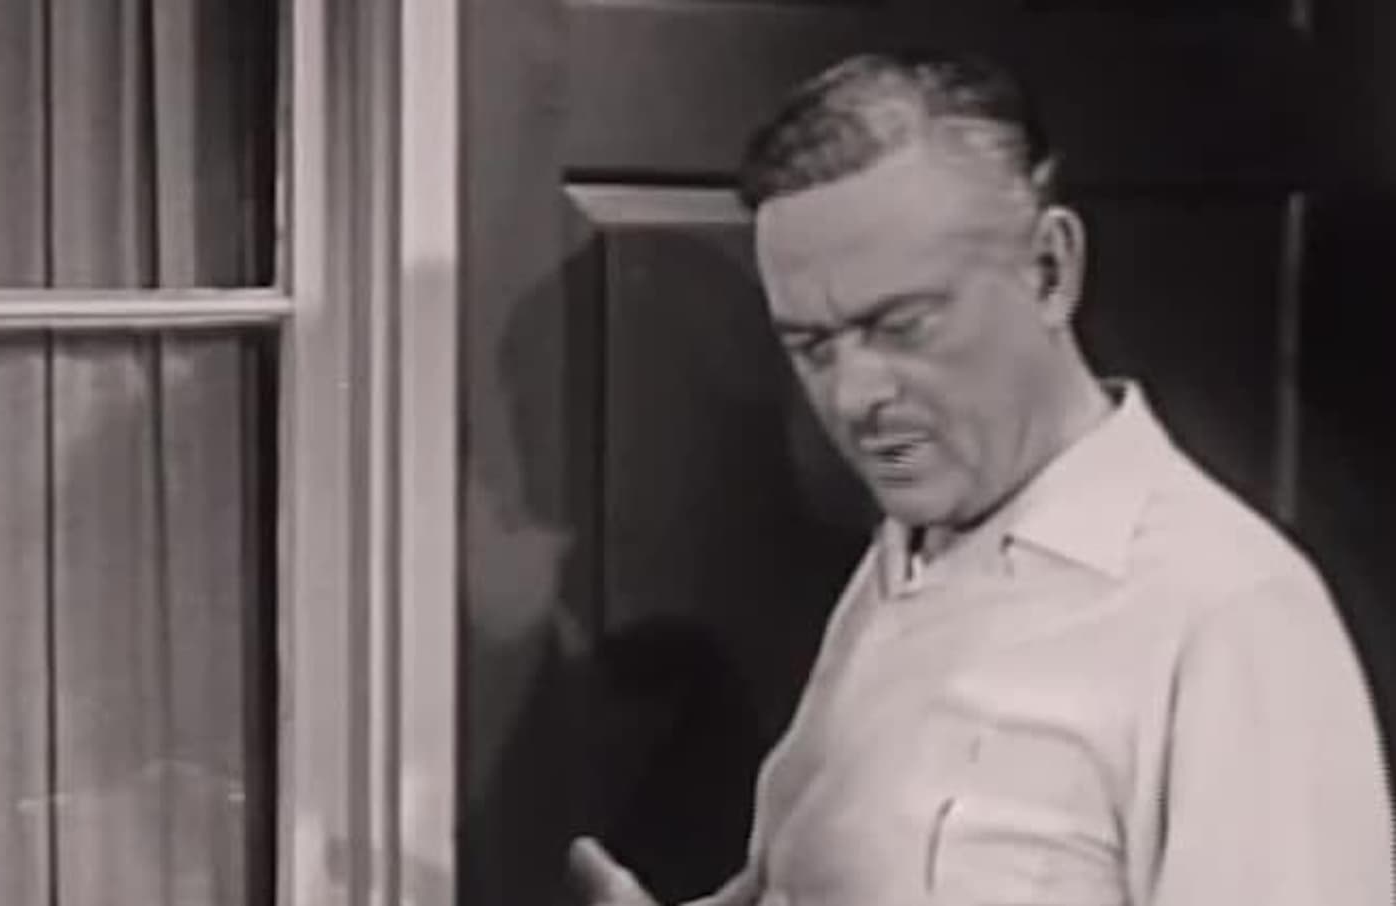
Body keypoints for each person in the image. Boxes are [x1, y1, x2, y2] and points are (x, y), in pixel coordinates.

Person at [567, 51, 1393, 906]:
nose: (853, 397)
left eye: (903, 325)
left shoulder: (1228, 614)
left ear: (1050, 270)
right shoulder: (902, 559)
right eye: (812, 347)